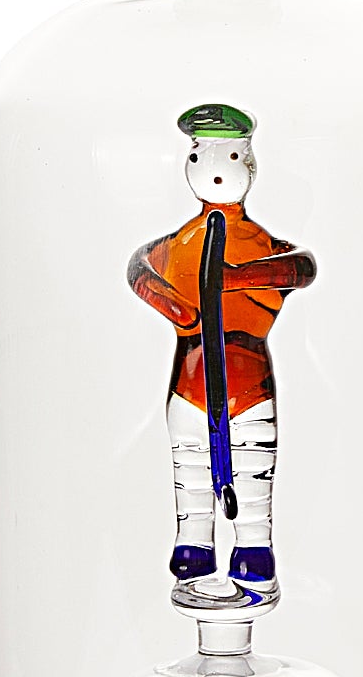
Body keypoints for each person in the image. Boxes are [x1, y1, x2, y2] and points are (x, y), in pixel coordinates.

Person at [127, 103, 316, 592]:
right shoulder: (182, 242)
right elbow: (139, 268)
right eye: (200, 155)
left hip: (248, 382)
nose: (214, 170)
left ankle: (253, 546)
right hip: (191, 382)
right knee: (190, 466)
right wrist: (177, 308)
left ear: (248, 162)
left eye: (230, 157)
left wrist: (238, 278)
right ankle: (194, 544)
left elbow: (301, 267)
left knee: (252, 467)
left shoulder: (258, 242)